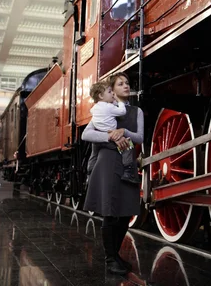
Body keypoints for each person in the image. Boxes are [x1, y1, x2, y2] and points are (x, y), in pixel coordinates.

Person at [82, 72, 143, 275]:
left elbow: (140, 138)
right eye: (120, 84)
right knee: (110, 211)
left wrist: (123, 132)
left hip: (127, 163)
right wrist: (110, 135)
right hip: (107, 161)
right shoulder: (103, 109)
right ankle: (110, 259)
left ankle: (115, 255)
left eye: (127, 82)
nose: (125, 86)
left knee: (126, 212)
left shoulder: (136, 111)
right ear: (112, 90)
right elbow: (86, 134)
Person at [88, 81, 140, 184]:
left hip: (99, 137)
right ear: (101, 95)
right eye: (109, 91)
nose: (112, 93)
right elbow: (122, 111)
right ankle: (128, 172)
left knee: (94, 154)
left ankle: (90, 172)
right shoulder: (109, 107)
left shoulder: (94, 109)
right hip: (112, 137)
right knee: (128, 146)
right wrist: (119, 102)